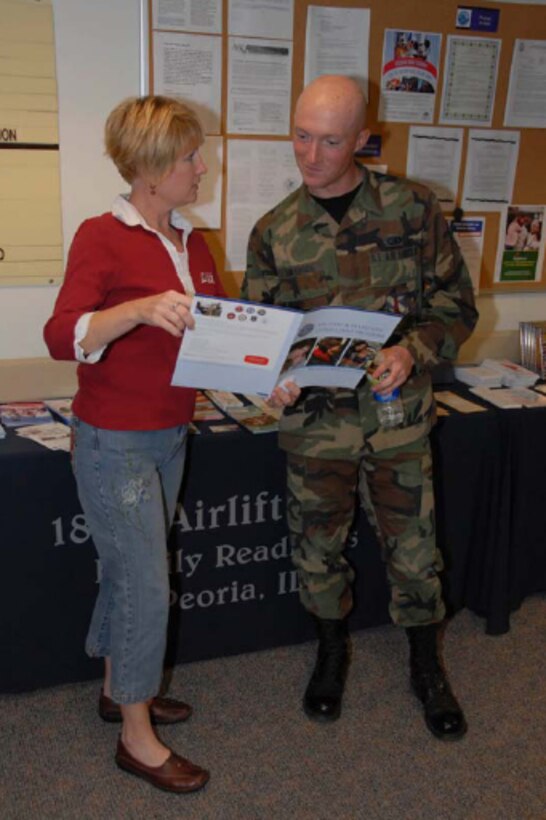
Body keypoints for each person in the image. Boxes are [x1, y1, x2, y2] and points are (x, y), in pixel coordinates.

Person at [242, 75, 478, 740]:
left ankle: (426, 665)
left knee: (415, 551)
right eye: (300, 135)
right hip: (316, 426)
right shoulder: (275, 232)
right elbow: (263, 337)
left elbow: (456, 306)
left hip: (396, 413)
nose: (310, 155)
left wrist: (416, 351)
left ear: (364, 140)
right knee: (317, 549)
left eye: (330, 140)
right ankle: (330, 651)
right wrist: (273, 375)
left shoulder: (412, 209)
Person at [44, 95, 225, 792]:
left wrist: (262, 382)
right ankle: (136, 735)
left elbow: (215, 344)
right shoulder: (102, 235)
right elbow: (63, 336)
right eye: (189, 159)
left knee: (129, 572)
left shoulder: (195, 243)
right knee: (148, 585)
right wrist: (137, 310)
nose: (201, 168)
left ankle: (119, 686)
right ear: (151, 169)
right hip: (112, 440)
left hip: (169, 434)